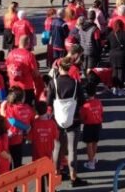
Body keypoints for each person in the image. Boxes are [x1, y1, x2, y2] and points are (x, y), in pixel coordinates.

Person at [47, 57, 87, 187]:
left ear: (59, 67)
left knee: (57, 148)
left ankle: (56, 173)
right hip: (73, 119)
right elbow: (82, 101)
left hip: (58, 120)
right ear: (70, 68)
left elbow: (48, 102)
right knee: (72, 150)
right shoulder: (75, 83)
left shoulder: (54, 83)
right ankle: (73, 177)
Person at [6, 35, 39, 105]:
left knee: (13, 107)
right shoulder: (29, 55)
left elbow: (7, 67)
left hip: (13, 85)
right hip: (26, 87)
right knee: (27, 107)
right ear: (28, 43)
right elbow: (35, 72)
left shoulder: (11, 53)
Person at [79, 84, 104, 171]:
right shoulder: (99, 102)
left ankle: (91, 162)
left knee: (89, 144)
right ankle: (92, 159)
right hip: (98, 124)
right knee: (95, 142)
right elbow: (101, 113)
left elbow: (82, 118)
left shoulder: (85, 105)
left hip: (89, 125)